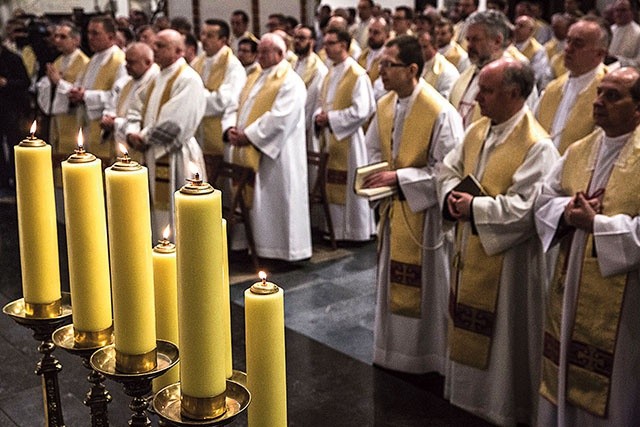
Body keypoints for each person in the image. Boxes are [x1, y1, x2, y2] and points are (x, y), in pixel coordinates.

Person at [439, 58, 559, 426]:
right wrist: (450, 196)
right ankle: (465, 396)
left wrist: (475, 206)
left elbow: (527, 209)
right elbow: (449, 169)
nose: (477, 96)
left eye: (487, 90)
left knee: (505, 340)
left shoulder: (538, 146)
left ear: (513, 94)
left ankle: (502, 407)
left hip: (509, 264)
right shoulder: (478, 130)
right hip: (471, 245)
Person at [535, 66, 640, 426]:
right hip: (571, 277)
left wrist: (597, 224)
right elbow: (544, 199)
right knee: (565, 364)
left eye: (613, 96)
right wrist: (567, 212)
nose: (598, 102)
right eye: (599, 93)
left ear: (638, 108)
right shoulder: (580, 149)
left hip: (626, 298)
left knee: (618, 382)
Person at [365, 35, 463, 374]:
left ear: (412, 69)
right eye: (380, 64)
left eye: (388, 65)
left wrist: (399, 179)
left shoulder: (440, 111)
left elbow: (447, 170)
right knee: (392, 281)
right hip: (395, 210)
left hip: (426, 218)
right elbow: (374, 151)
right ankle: (392, 352)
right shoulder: (386, 105)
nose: (381, 71)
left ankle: (428, 357)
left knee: (429, 286)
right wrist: (378, 177)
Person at [225, 33, 312, 262]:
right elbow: (238, 105)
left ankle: (282, 252)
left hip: (279, 155)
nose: (260, 56)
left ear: (281, 54)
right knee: (258, 202)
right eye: (259, 51)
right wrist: (233, 129)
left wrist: (249, 135)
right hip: (252, 148)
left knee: (277, 200)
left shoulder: (290, 81)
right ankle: (254, 246)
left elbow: (280, 118)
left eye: (265, 51)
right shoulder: (256, 76)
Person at [125, 29, 206, 240]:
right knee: (156, 212)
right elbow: (135, 107)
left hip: (176, 155)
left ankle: (179, 255)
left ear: (179, 50)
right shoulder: (157, 77)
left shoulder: (188, 79)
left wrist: (143, 137)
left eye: (161, 46)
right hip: (152, 151)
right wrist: (132, 131)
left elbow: (174, 124)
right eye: (155, 45)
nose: (155, 49)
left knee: (178, 215)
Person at [314, 28, 375, 242]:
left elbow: (363, 109)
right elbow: (321, 103)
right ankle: (334, 229)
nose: (326, 47)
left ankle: (353, 232)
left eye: (331, 43)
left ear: (343, 45)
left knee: (348, 187)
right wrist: (320, 117)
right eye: (326, 42)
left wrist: (330, 118)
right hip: (331, 137)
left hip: (349, 140)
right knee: (331, 185)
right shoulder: (330, 72)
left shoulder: (357, 74)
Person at [449, 10, 536, 129]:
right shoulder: (467, 74)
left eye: (476, 39)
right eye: (468, 39)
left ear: (497, 41)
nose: (469, 45)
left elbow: (521, 125)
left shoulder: (516, 76)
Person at [535, 17, 609, 154]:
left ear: (600, 53)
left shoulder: (609, 95)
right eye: (568, 41)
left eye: (578, 44)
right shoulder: (553, 89)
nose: (568, 48)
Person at [64, 15, 127, 159]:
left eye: (95, 33)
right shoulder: (93, 59)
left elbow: (119, 97)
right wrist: (76, 91)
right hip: (87, 124)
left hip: (106, 128)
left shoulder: (120, 61)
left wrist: (85, 96)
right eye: (88, 33)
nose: (90, 38)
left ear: (111, 36)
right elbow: (81, 85)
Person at [192, 19, 246, 179]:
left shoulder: (233, 66)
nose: (204, 39)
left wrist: (196, 98)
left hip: (218, 137)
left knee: (222, 188)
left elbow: (225, 100)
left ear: (223, 40)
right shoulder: (198, 62)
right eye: (203, 34)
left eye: (210, 35)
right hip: (198, 133)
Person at [36, 22, 89, 177]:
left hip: (76, 117)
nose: (57, 40)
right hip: (58, 120)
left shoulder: (84, 63)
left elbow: (80, 93)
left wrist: (58, 82)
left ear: (76, 40)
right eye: (56, 36)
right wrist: (48, 83)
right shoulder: (58, 60)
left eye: (63, 37)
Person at [101, 42, 158, 162]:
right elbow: (115, 108)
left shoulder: (155, 83)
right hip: (123, 145)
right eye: (126, 62)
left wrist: (115, 123)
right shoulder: (127, 83)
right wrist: (109, 118)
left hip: (143, 151)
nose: (126, 66)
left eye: (131, 62)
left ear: (147, 62)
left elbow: (147, 120)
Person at [0, 36, 30, 194]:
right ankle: (3, 180)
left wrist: (7, 83)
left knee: (14, 143)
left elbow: (25, 82)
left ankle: (16, 178)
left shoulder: (13, 59)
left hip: (11, 107)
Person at [293, 25, 328, 152]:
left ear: (312, 41)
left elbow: (314, 100)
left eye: (302, 38)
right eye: (295, 37)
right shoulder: (292, 64)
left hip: (306, 127)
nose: (297, 41)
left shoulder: (318, 70)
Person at [419, 28, 460, 99]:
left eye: (424, 47)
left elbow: (445, 100)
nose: (420, 50)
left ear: (435, 47)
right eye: (418, 47)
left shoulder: (447, 71)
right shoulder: (418, 64)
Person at [513, 15, 551, 89]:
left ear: (531, 30)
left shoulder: (538, 50)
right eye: (515, 24)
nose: (516, 28)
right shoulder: (509, 46)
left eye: (521, 26)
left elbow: (536, 75)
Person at [608, 0, 640, 68]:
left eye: (623, 10)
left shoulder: (638, 33)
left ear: (632, 12)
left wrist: (617, 60)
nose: (618, 14)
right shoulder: (610, 30)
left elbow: (638, 62)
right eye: (616, 10)